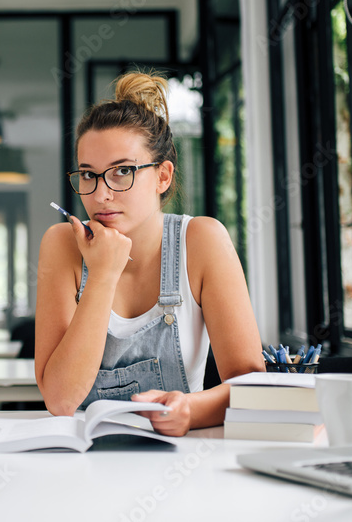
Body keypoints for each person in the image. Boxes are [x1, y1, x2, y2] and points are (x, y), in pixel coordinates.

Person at [35, 71, 264, 436]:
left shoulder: (202, 241)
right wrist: (103, 276)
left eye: (123, 171)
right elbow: (61, 401)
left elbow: (252, 386)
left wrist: (190, 410)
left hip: (181, 461)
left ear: (163, 176)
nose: (100, 194)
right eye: (88, 175)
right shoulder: (63, 245)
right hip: (81, 468)